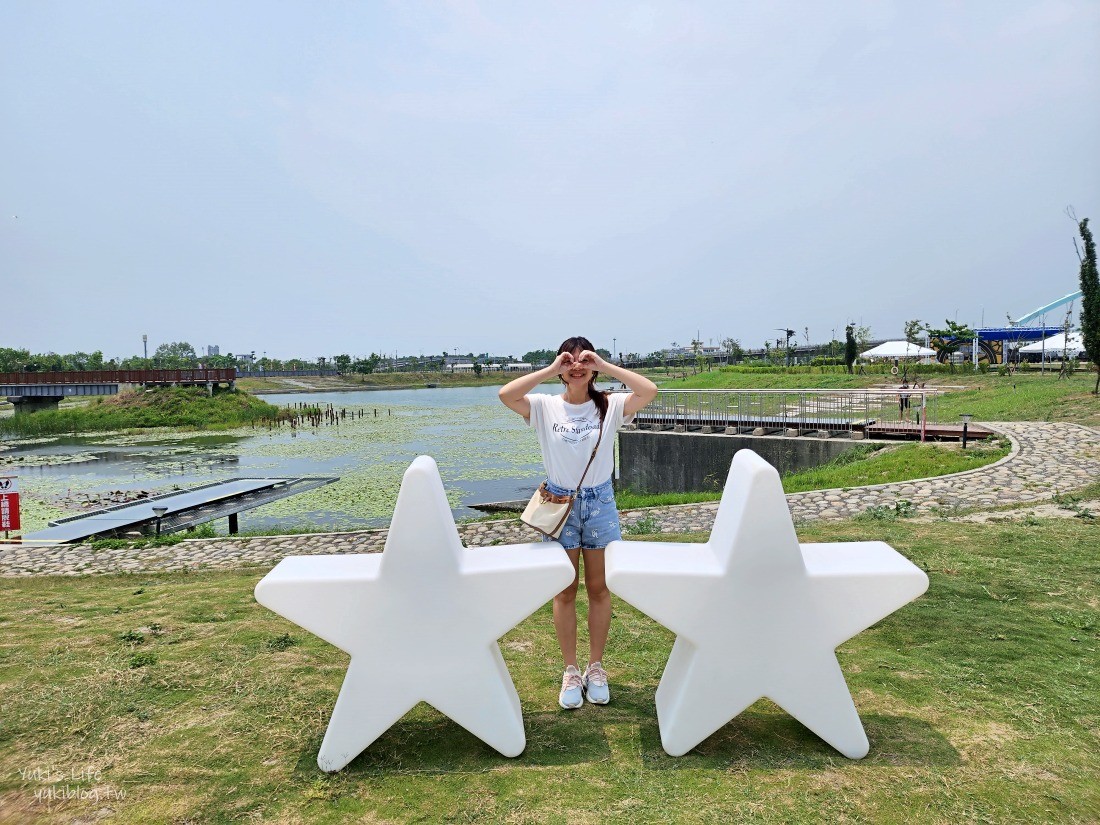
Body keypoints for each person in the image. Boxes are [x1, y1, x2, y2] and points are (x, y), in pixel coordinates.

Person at [499, 336, 657, 709]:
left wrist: (603, 365)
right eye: (569, 361)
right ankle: (571, 670)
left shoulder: (611, 405)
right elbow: (507, 394)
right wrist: (551, 368)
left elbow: (649, 390)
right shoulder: (544, 407)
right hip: (560, 504)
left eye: (582, 360)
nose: (576, 366)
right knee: (565, 589)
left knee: (600, 588)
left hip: (600, 503)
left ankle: (596, 667)